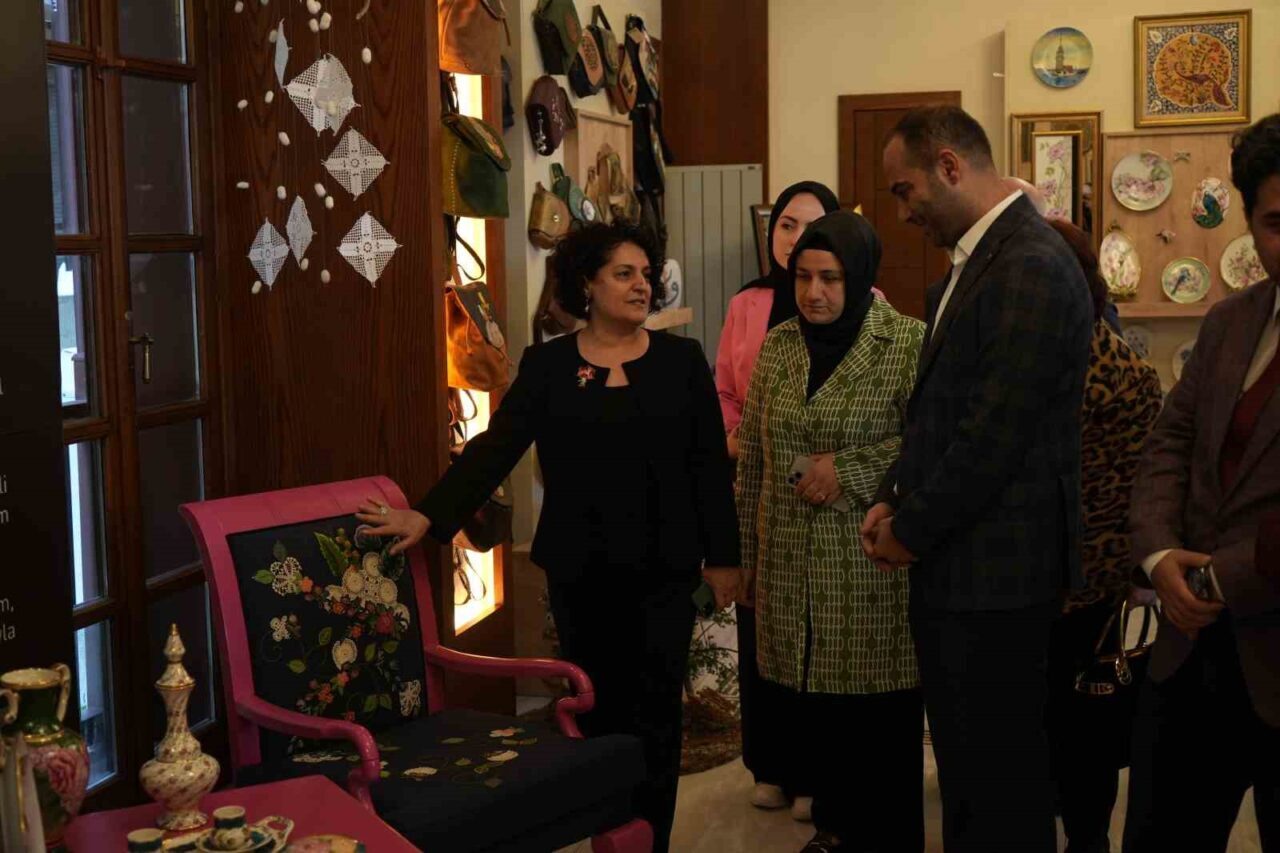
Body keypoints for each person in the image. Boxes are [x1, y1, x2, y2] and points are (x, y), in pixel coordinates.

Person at [356, 221, 741, 853]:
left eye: (646, 274)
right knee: (595, 710)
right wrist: (428, 515)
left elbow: (707, 468)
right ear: (588, 283)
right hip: (582, 573)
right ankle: (609, 833)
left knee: (656, 718)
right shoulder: (550, 366)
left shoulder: (682, 361)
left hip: (664, 573)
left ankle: (650, 842)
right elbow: (495, 448)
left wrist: (723, 560)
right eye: (624, 273)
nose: (641, 285)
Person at [861, 105, 1093, 851]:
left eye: (905, 191)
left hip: (998, 576)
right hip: (962, 568)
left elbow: (994, 435)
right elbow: (938, 412)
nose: (903, 213)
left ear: (950, 167)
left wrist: (909, 530)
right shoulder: (978, 261)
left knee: (1001, 788)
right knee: (968, 777)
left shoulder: (1030, 264)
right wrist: (891, 493)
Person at [737, 211, 926, 853]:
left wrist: (846, 468)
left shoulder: (905, 341)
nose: (814, 292)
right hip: (790, 565)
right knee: (813, 720)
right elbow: (755, 460)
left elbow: (929, 443)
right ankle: (833, 831)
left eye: (831, 278)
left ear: (862, 276)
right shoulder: (780, 345)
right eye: (804, 277)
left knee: (876, 725)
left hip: (871, 566)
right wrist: (745, 559)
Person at [1123, 113, 1280, 851]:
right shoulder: (1228, 322)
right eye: (1277, 222)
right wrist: (1159, 554)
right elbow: (1169, 443)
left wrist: (1215, 578)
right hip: (1192, 653)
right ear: (1251, 224)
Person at [715, 179, 841, 819]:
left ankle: (820, 771)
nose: (795, 239)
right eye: (786, 225)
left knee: (818, 629)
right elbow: (724, 389)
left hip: (827, 490)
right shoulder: (748, 303)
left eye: (812, 227)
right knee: (760, 623)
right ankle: (771, 763)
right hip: (757, 484)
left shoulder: (862, 300)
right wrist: (736, 437)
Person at [1041, 219, 1163, 853]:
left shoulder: (1117, 375)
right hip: (1041, 584)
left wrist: (1141, 575)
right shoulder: (1022, 365)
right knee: (1068, 739)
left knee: (1082, 739)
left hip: (1085, 587)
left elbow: (1146, 488)